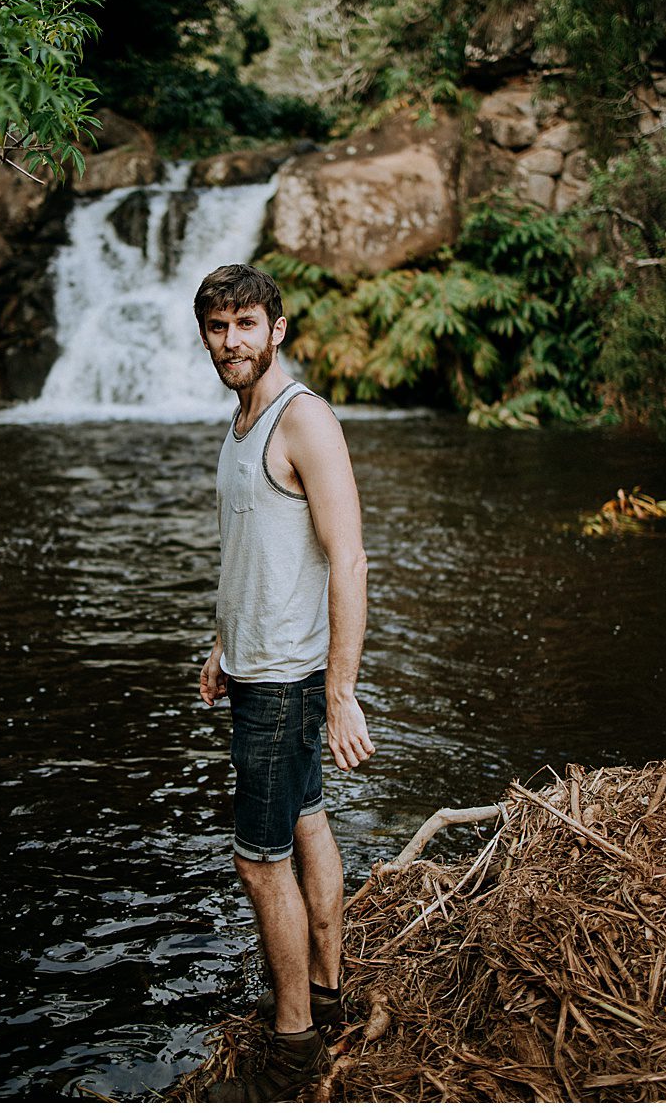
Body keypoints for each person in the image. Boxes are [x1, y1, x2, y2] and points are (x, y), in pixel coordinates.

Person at [192, 263, 376, 1101]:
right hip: (255, 669)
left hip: (289, 683)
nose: (231, 340)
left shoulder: (304, 421)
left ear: (278, 329)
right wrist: (223, 644)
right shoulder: (241, 423)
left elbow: (349, 558)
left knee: (257, 863)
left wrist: (340, 692)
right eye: (217, 325)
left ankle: (295, 1041)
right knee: (306, 824)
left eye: (245, 324)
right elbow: (252, 553)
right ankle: (330, 998)